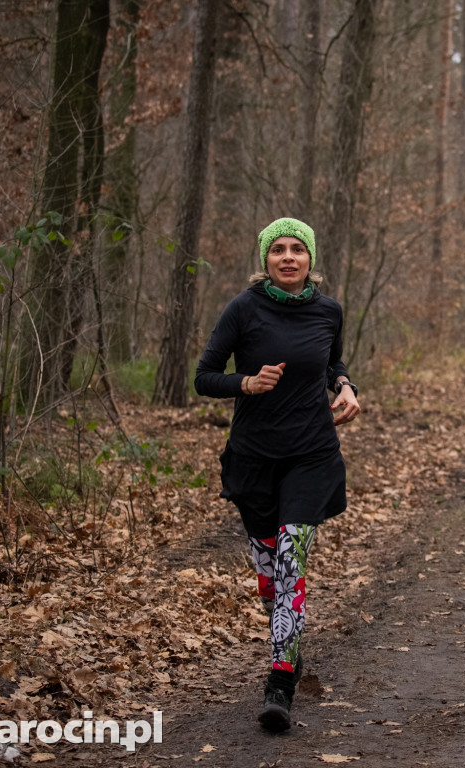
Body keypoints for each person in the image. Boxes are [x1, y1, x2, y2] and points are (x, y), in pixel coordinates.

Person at [195, 217, 361, 733]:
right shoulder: (244, 309)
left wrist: (346, 384)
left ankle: (280, 680)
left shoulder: (329, 310)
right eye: (278, 250)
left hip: (312, 453)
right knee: (270, 575)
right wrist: (246, 383)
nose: (288, 258)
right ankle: (284, 633)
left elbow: (330, 363)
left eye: (298, 250)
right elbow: (204, 377)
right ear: (265, 259)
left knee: (291, 559)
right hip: (253, 458)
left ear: (311, 260)